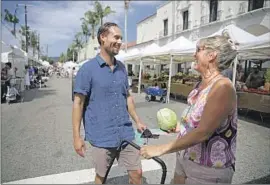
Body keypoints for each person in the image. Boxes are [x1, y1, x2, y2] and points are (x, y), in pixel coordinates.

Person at [140, 35, 238, 184]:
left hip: (208, 169)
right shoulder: (200, 84)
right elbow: (194, 122)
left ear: (211, 56)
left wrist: (159, 149)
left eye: (198, 50)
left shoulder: (222, 87)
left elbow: (203, 132)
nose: (194, 54)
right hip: (186, 159)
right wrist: (178, 127)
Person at [72, 22, 146, 184]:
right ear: (103, 38)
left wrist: (138, 121)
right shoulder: (87, 69)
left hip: (126, 133)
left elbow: (127, 97)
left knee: (137, 173)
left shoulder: (121, 68)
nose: (120, 42)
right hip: (101, 136)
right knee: (101, 176)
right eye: (116, 37)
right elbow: (78, 103)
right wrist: (77, 137)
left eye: (121, 38)